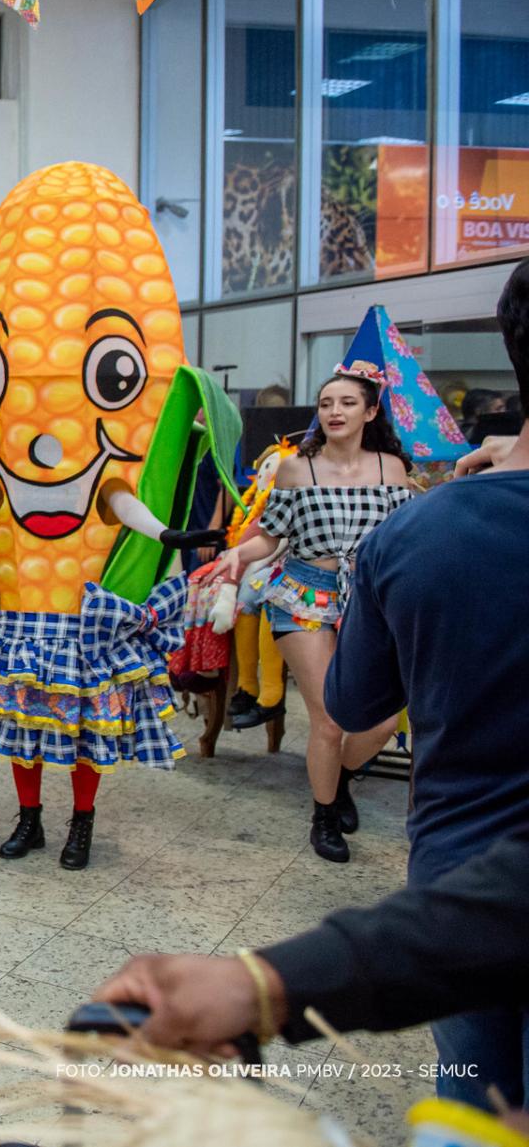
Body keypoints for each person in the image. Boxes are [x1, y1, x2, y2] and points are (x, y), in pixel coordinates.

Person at [312, 259, 529, 1107]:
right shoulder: (395, 505)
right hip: (310, 590)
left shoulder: (419, 523)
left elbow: (355, 702)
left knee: (472, 1095)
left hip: (460, 879)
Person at [94, 831, 529, 1122]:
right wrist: (265, 982)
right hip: (463, 900)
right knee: (476, 1098)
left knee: (475, 1078)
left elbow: (356, 710)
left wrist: (268, 982)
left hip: (455, 861)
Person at [205, 365, 413, 864]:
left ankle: (336, 780)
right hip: (305, 595)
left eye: (345, 403)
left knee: (382, 720)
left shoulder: (391, 469)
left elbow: (404, 541)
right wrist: (238, 554)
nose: (334, 412)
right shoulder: (297, 467)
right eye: (326, 404)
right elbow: (271, 535)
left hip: (369, 599)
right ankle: (324, 816)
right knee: (328, 719)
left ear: (371, 411)